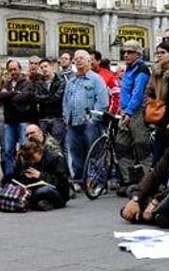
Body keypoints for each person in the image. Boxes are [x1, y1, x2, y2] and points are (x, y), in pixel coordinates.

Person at [63, 50, 110, 190]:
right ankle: (79, 180)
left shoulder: (96, 79)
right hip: (72, 122)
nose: (78, 61)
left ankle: (98, 182)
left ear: (89, 61)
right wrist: (66, 116)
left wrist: (92, 118)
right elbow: (65, 101)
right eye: (76, 59)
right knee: (76, 152)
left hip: (90, 123)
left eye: (82, 58)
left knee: (94, 153)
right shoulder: (71, 81)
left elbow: (103, 101)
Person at [116, 40, 153, 191]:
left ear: (138, 53)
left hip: (136, 112)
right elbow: (124, 91)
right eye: (124, 52)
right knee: (122, 146)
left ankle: (147, 182)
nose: (126, 54)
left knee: (142, 147)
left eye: (130, 52)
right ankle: (128, 181)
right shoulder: (129, 68)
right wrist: (121, 108)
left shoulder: (142, 69)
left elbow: (138, 93)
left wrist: (129, 111)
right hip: (126, 111)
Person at [0, 60, 36, 181]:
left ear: (19, 69)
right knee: (8, 150)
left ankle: (25, 175)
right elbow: (1, 96)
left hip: (23, 120)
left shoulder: (27, 83)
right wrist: (14, 93)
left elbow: (23, 97)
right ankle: (9, 176)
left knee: (25, 150)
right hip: (9, 121)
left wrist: (9, 96)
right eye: (11, 70)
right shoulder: (6, 84)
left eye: (15, 69)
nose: (13, 72)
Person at [145, 41, 169, 164]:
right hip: (160, 114)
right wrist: (150, 101)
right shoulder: (156, 72)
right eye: (157, 53)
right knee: (158, 153)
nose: (159, 56)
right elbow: (149, 90)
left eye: (163, 53)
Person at [13, 140, 70, 211]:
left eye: (32, 158)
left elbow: (62, 183)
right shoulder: (29, 161)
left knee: (44, 191)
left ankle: (30, 203)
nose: (31, 161)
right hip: (35, 191)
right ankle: (40, 203)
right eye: (29, 159)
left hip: (58, 193)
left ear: (39, 151)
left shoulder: (56, 158)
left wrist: (40, 176)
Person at [34, 59, 66, 149]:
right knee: (43, 145)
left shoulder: (60, 81)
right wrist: (49, 97)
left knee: (56, 145)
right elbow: (37, 98)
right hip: (43, 117)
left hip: (57, 117)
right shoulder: (39, 83)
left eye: (46, 66)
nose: (44, 69)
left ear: (51, 67)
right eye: (41, 68)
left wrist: (45, 98)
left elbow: (57, 98)